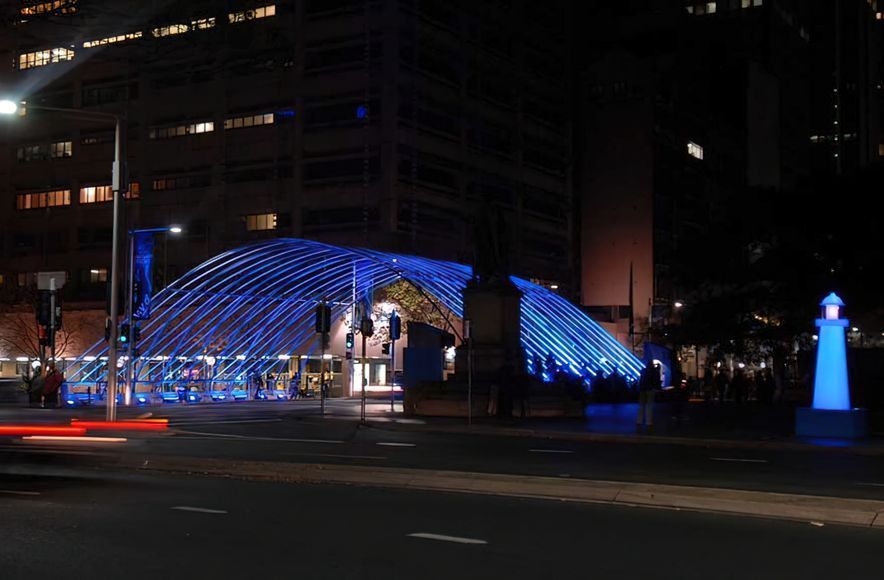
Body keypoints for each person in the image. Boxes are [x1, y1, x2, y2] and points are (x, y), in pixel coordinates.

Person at [636, 362, 661, 427]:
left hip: (643, 389)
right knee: (649, 405)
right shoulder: (654, 371)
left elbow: (641, 380)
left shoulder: (644, 371)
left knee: (641, 405)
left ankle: (639, 420)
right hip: (650, 389)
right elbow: (656, 380)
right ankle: (648, 421)